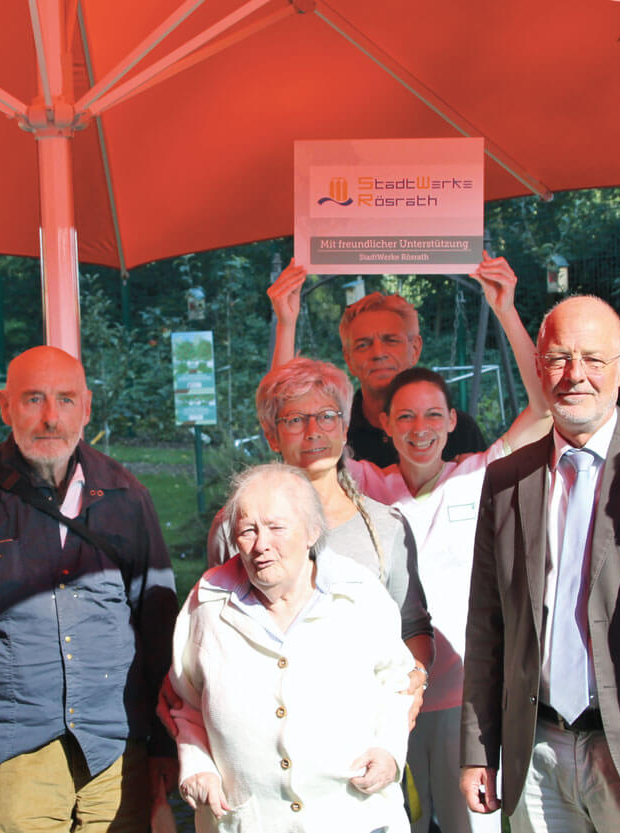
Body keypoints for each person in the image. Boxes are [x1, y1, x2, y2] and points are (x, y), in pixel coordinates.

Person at [460, 295, 620, 833]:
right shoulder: (507, 478)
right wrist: (477, 747)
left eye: (593, 359)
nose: (574, 375)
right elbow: (487, 623)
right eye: (558, 358)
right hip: (536, 755)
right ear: (538, 366)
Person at [0, 346, 178, 833]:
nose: (51, 418)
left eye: (66, 400)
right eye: (33, 400)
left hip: (117, 749)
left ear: (87, 406)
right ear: (4, 405)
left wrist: (163, 743)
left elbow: (159, 630)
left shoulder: (127, 497)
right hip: (16, 748)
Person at [344, 363, 550, 833]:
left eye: (434, 415)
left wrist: (504, 307)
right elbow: (303, 422)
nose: (421, 429)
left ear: (453, 421)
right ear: (384, 424)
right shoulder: (365, 485)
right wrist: (287, 319)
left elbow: (543, 409)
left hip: (467, 704)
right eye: (406, 417)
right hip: (389, 702)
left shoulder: (477, 474)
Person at [170, 462, 416, 832]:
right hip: (248, 820)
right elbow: (181, 700)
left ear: (312, 531)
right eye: (247, 530)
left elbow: (397, 685)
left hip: (354, 818)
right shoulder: (207, 603)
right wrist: (198, 764)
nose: (261, 545)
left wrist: (389, 751)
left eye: (276, 527)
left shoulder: (359, 594)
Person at [207, 358, 436, 713]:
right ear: (271, 435)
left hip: (363, 734)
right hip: (264, 728)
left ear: (344, 428)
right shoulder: (236, 526)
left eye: (327, 416)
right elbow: (216, 629)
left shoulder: (386, 527)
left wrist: (414, 678)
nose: (313, 431)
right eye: (295, 420)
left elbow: (412, 628)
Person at [268, 254, 510, 466]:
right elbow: (284, 415)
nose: (378, 353)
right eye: (363, 345)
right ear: (348, 358)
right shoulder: (334, 427)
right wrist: (286, 324)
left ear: (414, 349)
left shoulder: (457, 431)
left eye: (391, 340)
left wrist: (505, 309)